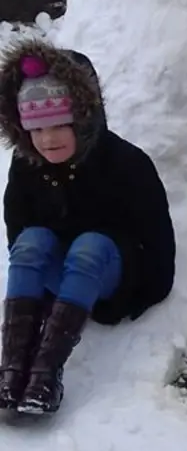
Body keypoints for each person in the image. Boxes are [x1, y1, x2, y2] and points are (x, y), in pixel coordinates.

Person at [0, 40, 175, 414]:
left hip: (108, 273)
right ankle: (12, 369)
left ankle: (46, 374)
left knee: (90, 246)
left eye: (60, 125)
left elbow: (158, 244)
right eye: (37, 128)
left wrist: (134, 299)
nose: (48, 139)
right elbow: (17, 233)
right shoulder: (28, 166)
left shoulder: (126, 163)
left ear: (84, 117)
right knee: (32, 240)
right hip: (62, 276)